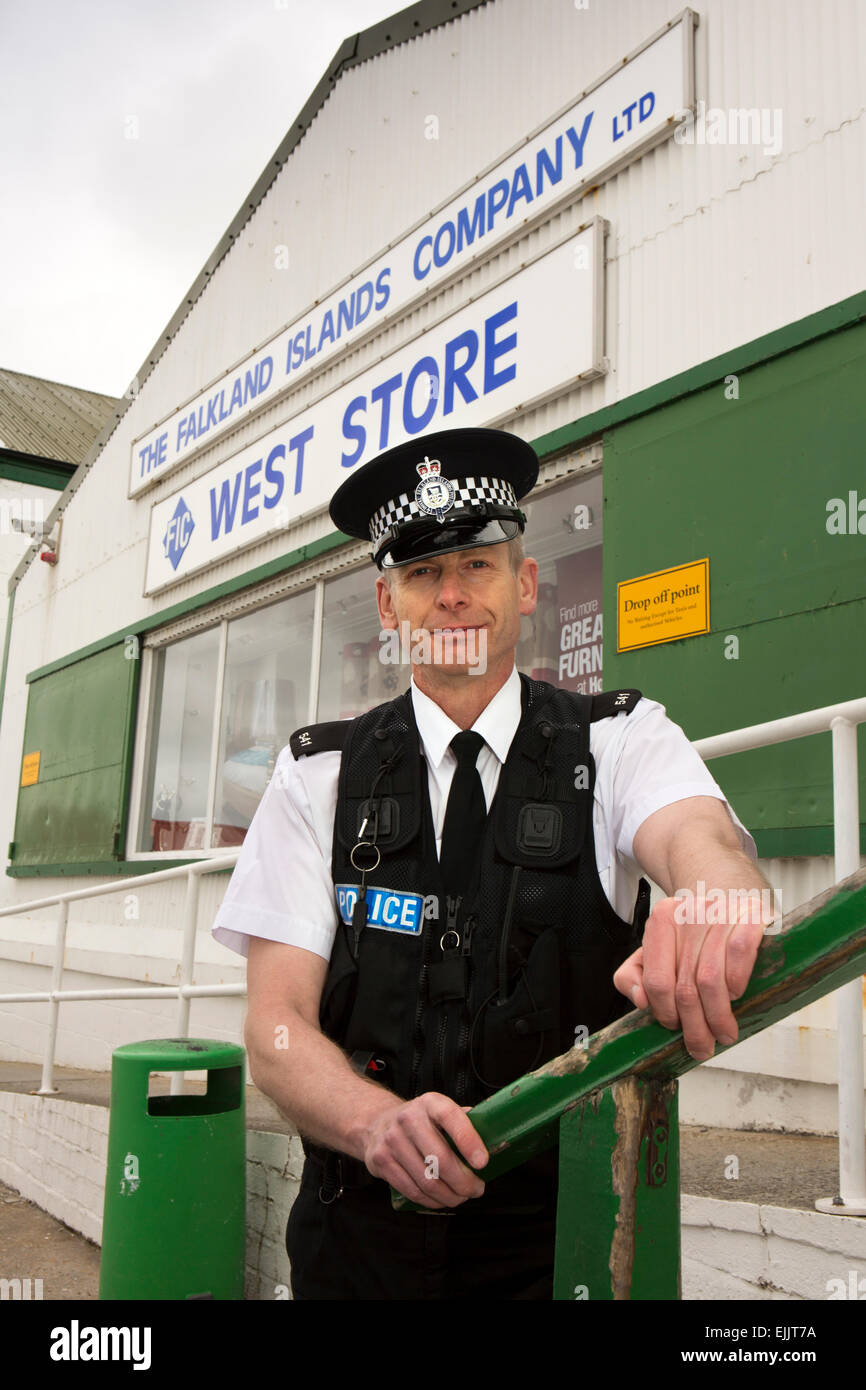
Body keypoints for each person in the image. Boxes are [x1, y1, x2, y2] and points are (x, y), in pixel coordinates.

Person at [211, 426, 775, 1300]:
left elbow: (700, 839)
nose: (453, 596)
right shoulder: (318, 774)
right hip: (361, 1245)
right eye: (423, 574)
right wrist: (375, 1124)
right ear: (389, 606)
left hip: (564, 1249)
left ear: (526, 586)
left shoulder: (618, 740)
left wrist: (713, 897)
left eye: (478, 564)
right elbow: (275, 1026)